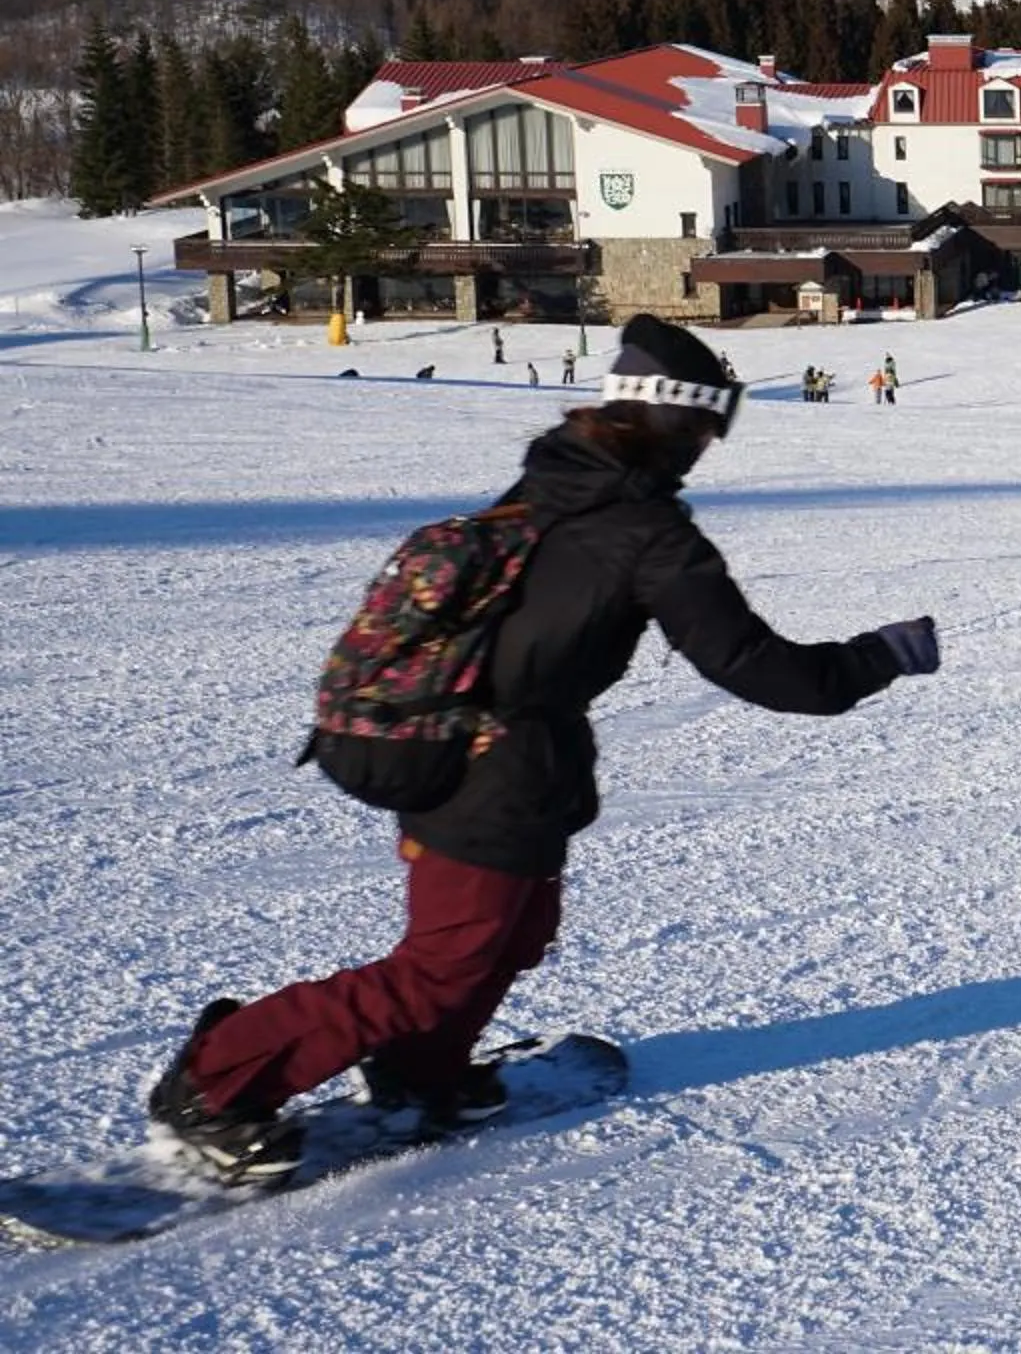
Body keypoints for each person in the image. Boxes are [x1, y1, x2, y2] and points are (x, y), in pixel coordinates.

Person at [142, 314, 941, 1183]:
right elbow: (763, 670)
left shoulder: (552, 481)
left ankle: (419, 1071)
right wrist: (879, 656)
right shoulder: (647, 534)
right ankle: (216, 1082)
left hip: (490, 756)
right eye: (707, 430)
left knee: (514, 935)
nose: (707, 451)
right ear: (671, 422)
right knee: (440, 965)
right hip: (487, 766)